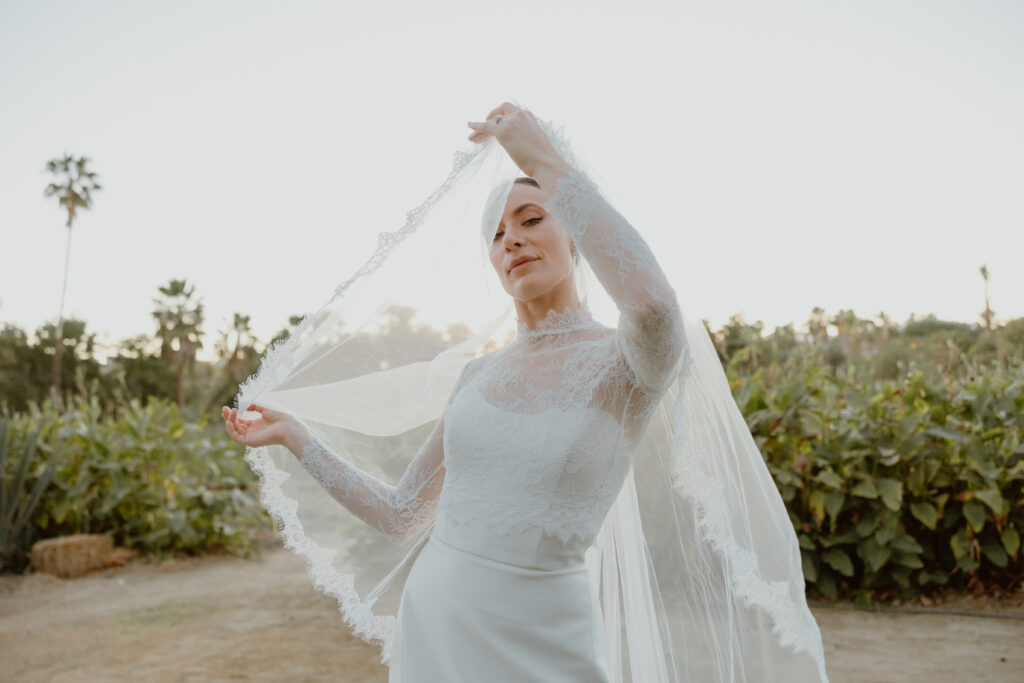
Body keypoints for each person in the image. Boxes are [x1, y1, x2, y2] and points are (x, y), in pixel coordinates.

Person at [223, 102, 830, 682]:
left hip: (542, 633)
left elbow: (651, 303)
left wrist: (544, 162)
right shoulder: (477, 376)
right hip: (435, 624)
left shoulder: (623, 360)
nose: (510, 238)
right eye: (496, 233)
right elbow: (401, 515)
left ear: (577, 238)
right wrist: (297, 438)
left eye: (532, 218)